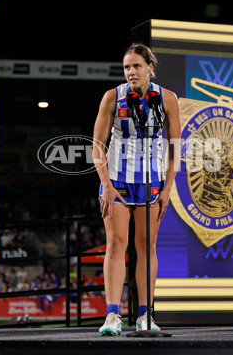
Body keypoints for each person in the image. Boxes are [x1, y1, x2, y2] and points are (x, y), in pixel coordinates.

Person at [92, 43, 180, 336]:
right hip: (117, 180)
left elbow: (174, 149)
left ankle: (145, 315)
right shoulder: (111, 97)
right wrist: (105, 184)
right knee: (116, 245)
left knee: (146, 247)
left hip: (152, 183)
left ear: (150, 68)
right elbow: (97, 145)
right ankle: (113, 316)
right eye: (127, 66)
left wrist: (167, 188)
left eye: (137, 66)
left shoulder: (167, 98)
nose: (131, 71)